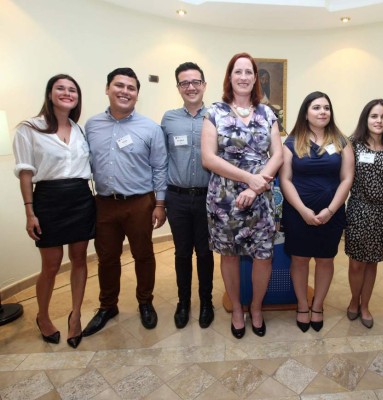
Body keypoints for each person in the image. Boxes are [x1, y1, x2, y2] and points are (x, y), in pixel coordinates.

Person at [201, 53, 283, 339]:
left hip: (260, 197)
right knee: (230, 256)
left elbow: (278, 155)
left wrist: (254, 187)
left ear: (256, 78)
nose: (244, 77)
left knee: (263, 257)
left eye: (249, 72)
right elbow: (208, 158)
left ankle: (256, 308)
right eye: (239, 71)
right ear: (230, 76)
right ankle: (237, 308)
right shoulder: (214, 112)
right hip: (224, 200)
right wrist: (248, 178)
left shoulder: (268, 113)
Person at [82, 67, 168, 337]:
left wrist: (160, 204)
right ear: (107, 89)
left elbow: (160, 168)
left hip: (140, 202)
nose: (125, 92)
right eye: (119, 86)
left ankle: (145, 301)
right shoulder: (92, 125)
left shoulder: (150, 128)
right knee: (107, 258)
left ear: (137, 94)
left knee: (143, 255)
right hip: (105, 203)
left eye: (131, 88)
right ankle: (108, 306)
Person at [13, 74, 95, 348]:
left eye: (73, 89)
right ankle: (43, 316)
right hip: (48, 199)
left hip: (81, 197)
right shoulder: (30, 128)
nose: (67, 93)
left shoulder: (79, 129)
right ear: (50, 94)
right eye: (61, 88)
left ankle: (75, 316)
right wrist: (29, 211)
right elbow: (25, 172)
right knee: (50, 264)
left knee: (80, 259)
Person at [280, 91, 354, 333]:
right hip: (297, 213)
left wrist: (331, 210)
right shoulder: (291, 141)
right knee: (300, 260)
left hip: (331, 214)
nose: (323, 112)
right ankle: (302, 305)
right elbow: (286, 180)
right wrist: (302, 210)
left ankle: (318, 305)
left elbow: (347, 179)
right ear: (306, 112)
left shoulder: (341, 141)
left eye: (326, 107)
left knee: (325, 260)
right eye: (316, 107)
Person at [161, 62, 215, 329]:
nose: (191, 87)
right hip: (177, 198)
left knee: (205, 253)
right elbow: (161, 161)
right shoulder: (169, 119)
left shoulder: (217, 115)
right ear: (178, 88)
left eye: (196, 82)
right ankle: (184, 303)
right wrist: (160, 200)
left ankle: (206, 302)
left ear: (204, 85)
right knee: (182, 253)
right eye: (185, 83)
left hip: (208, 196)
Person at [344, 99, 383, 329]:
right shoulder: (352, 145)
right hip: (359, 209)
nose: (379, 121)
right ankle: (353, 300)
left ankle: (365, 304)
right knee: (356, 263)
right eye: (374, 116)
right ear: (365, 119)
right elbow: (344, 178)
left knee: (372, 263)